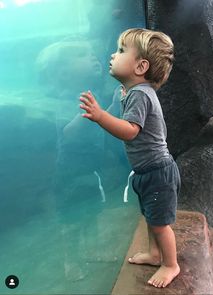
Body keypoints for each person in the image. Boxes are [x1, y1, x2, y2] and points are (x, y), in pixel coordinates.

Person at [79, 28, 181, 288]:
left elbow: (130, 131)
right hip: (148, 171)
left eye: (121, 51)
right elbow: (120, 118)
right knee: (151, 217)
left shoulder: (140, 94)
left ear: (140, 66)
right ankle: (154, 253)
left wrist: (101, 116)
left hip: (158, 171)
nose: (113, 55)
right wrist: (106, 111)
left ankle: (171, 264)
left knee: (160, 224)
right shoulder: (128, 92)